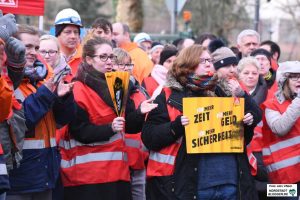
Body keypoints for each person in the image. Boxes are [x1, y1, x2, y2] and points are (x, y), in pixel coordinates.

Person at [142, 43, 261, 199]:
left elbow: (244, 137)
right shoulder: (169, 95)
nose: (208, 64)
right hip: (195, 184)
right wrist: (176, 126)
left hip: (230, 181)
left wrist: (246, 123)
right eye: (202, 60)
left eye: (209, 60)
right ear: (188, 64)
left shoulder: (224, 91)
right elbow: (149, 137)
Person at [59, 37, 156, 200]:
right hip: (86, 178)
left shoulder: (118, 84)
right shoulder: (78, 88)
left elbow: (129, 126)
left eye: (111, 57)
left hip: (117, 173)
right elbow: (80, 131)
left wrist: (140, 112)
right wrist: (110, 128)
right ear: (89, 59)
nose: (109, 61)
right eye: (103, 57)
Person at [6, 24, 75, 200]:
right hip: (19, 176)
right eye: (27, 46)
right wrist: (46, 93)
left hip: (44, 171)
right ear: (12, 47)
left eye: (36, 47)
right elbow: (21, 122)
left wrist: (63, 98)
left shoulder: (42, 78)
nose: (33, 52)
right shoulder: (8, 80)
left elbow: (62, 120)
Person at [113, 47, 156, 200]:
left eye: (128, 65)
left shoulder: (140, 91)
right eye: (120, 64)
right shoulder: (112, 91)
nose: (125, 68)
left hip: (139, 160)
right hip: (117, 161)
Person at [262, 61, 300, 199]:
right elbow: (280, 129)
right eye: (294, 76)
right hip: (282, 178)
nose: (299, 80)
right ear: (284, 80)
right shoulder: (271, 105)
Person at [237, 57, 269, 199]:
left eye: (254, 73)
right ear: (239, 74)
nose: (250, 76)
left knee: (272, 190)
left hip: (264, 153)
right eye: (246, 73)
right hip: (241, 151)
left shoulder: (270, 93)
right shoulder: (227, 94)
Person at [55, 8, 82, 81]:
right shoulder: (49, 56)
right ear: (58, 33)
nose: (73, 36)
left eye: (76, 32)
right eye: (68, 32)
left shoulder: (86, 58)